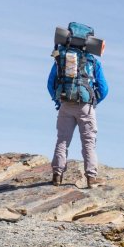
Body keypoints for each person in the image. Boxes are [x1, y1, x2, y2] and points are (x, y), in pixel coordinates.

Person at [47, 43, 108, 187]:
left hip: (65, 104)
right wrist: (93, 101)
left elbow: (50, 84)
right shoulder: (93, 61)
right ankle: (91, 179)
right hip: (85, 106)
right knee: (88, 142)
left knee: (62, 140)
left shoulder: (61, 59)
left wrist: (58, 101)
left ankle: (57, 175)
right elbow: (104, 88)